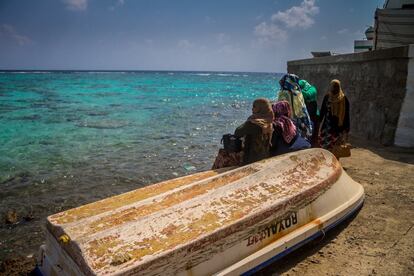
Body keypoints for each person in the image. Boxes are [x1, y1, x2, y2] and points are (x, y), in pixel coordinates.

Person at [234, 98, 274, 165]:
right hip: (264, 156)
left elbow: (237, 132)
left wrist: (248, 121)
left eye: (254, 107)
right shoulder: (269, 122)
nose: (252, 109)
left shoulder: (254, 124)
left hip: (251, 158)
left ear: (261, 108)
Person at [277, 74, 312, 140]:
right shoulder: (298, 92)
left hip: (287, 120)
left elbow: (280, 108)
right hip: (298, 119)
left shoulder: (283, 93)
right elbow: (303, 108)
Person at [319, 79, 350, 152]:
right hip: (327, 128)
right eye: (333, 86)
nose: (335, 88)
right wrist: (319, 122)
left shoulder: (343, 99)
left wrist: (346, 129)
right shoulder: (327, 97)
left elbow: (346, 115)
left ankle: (334, 162)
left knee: (336, 149)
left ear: (339, 87)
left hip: (338, 128)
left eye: (336, 86)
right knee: (324, 148)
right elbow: (323, 111)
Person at [298, 79, 319, 147]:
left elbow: (308, 95)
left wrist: (299, 91)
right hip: (307, 114)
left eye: (300, 86)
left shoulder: (312, 89)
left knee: (313, 133)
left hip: (314, 114)